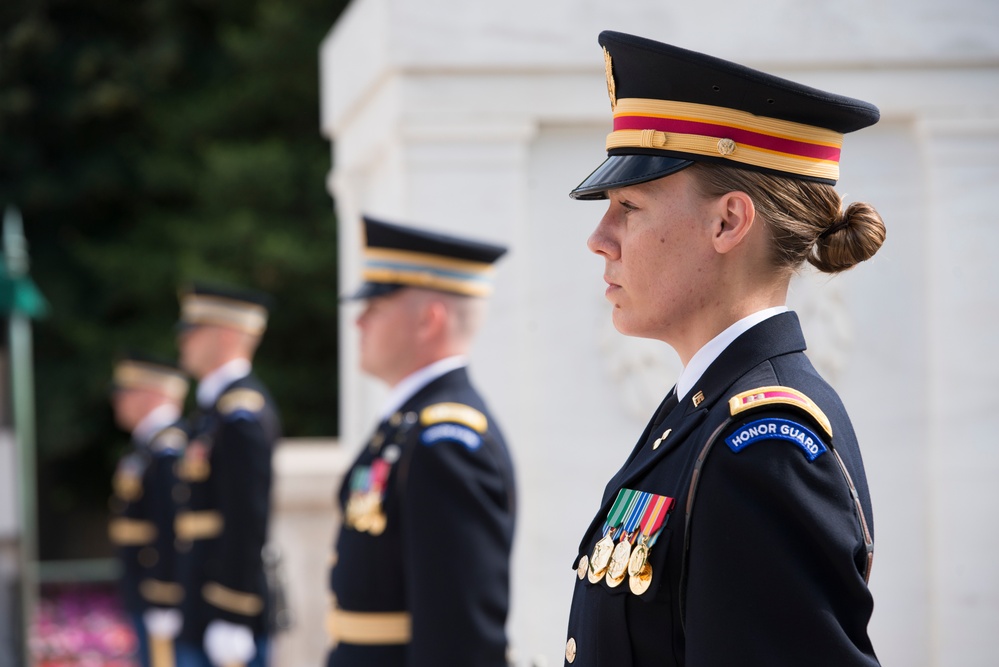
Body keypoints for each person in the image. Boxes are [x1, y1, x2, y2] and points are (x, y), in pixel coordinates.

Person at [562, 31, 885, 666]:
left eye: (628, 205)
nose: (600, 238)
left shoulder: (763, 447)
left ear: (729, 222)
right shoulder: (702, 416)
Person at [327, 216, 516, 667]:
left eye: (375, 307)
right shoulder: (409, 427)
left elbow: (459, 638)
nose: (358, 323)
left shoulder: (446, 443)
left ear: (429, 320)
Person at [172, 283, 282, 667]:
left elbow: (247, 519)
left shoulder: (241, 414)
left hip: (224, 609)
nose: (182, 340)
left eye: (193, 329)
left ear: (226, 335)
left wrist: (233, 612)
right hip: (201, 603)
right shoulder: (212, 413)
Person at [108, 352, 190, 667]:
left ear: (154, 392)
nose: (119, 402)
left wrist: (165, 594)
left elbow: (172, 527)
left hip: (162, 596)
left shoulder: (168, 449)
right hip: (145, 590)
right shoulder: (147, 448)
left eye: (127, 392)